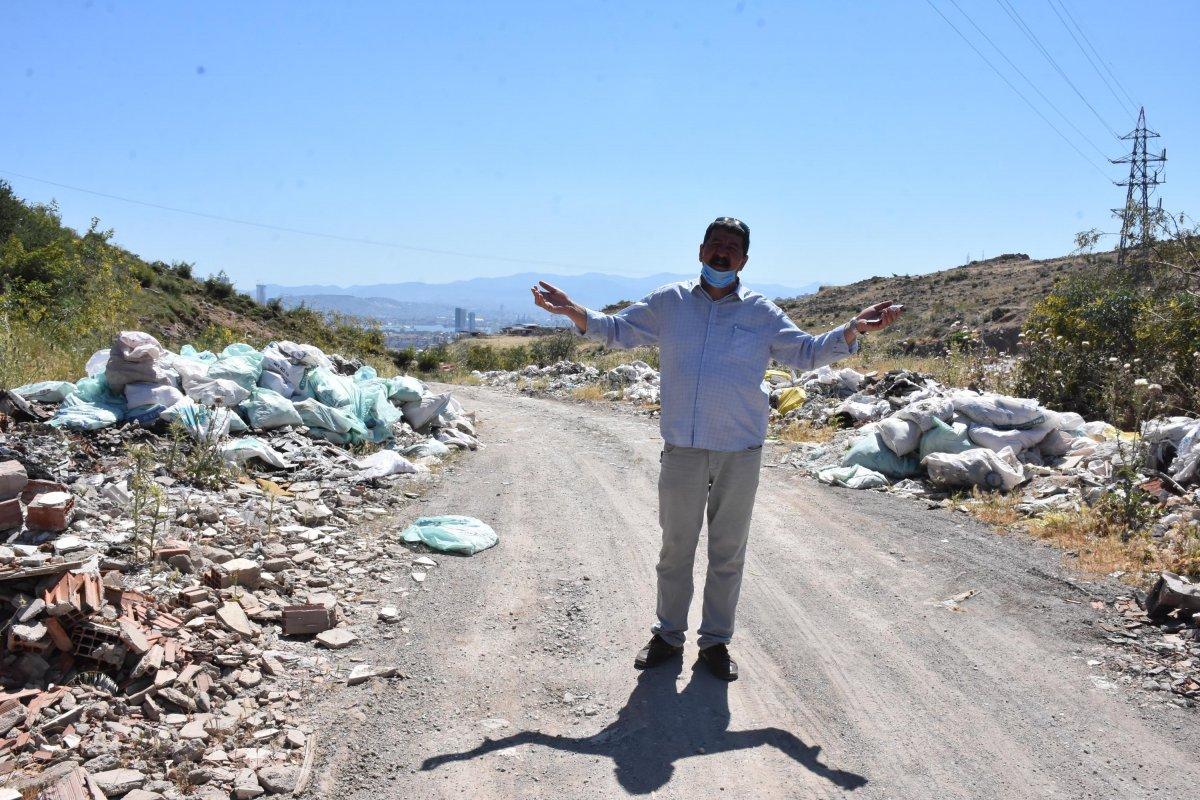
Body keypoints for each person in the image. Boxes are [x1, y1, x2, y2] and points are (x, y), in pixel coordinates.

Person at [531, 217, 903, 681]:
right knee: (675, 549)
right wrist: (572, 310)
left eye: (732, 247)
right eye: (716, 244)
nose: (722, 252)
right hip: (683, 449)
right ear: (700, 250)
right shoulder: (670, 302)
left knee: (728, 553)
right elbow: (619, 329)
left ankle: (715, 643)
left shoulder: (762, 313)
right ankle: (668, 636)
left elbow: (807, 353)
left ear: (743, 261)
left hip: (739, 450)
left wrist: (853, 329)